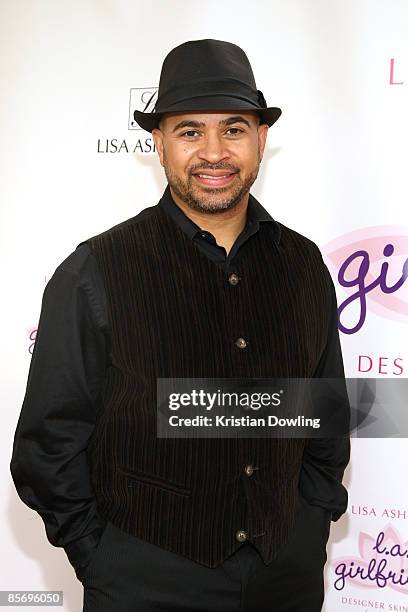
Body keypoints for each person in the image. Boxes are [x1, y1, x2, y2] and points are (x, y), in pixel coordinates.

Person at [10, 38, 350, 612]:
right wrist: (102, 555)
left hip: (284, 580)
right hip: (145, 584)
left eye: (234, 129)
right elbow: (48, 444)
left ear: (261, 139)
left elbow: (324, 416)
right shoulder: (95, 271)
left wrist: (310, 525)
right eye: (190, 131)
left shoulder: (303, 265)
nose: (213, 152)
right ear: (159, 144)